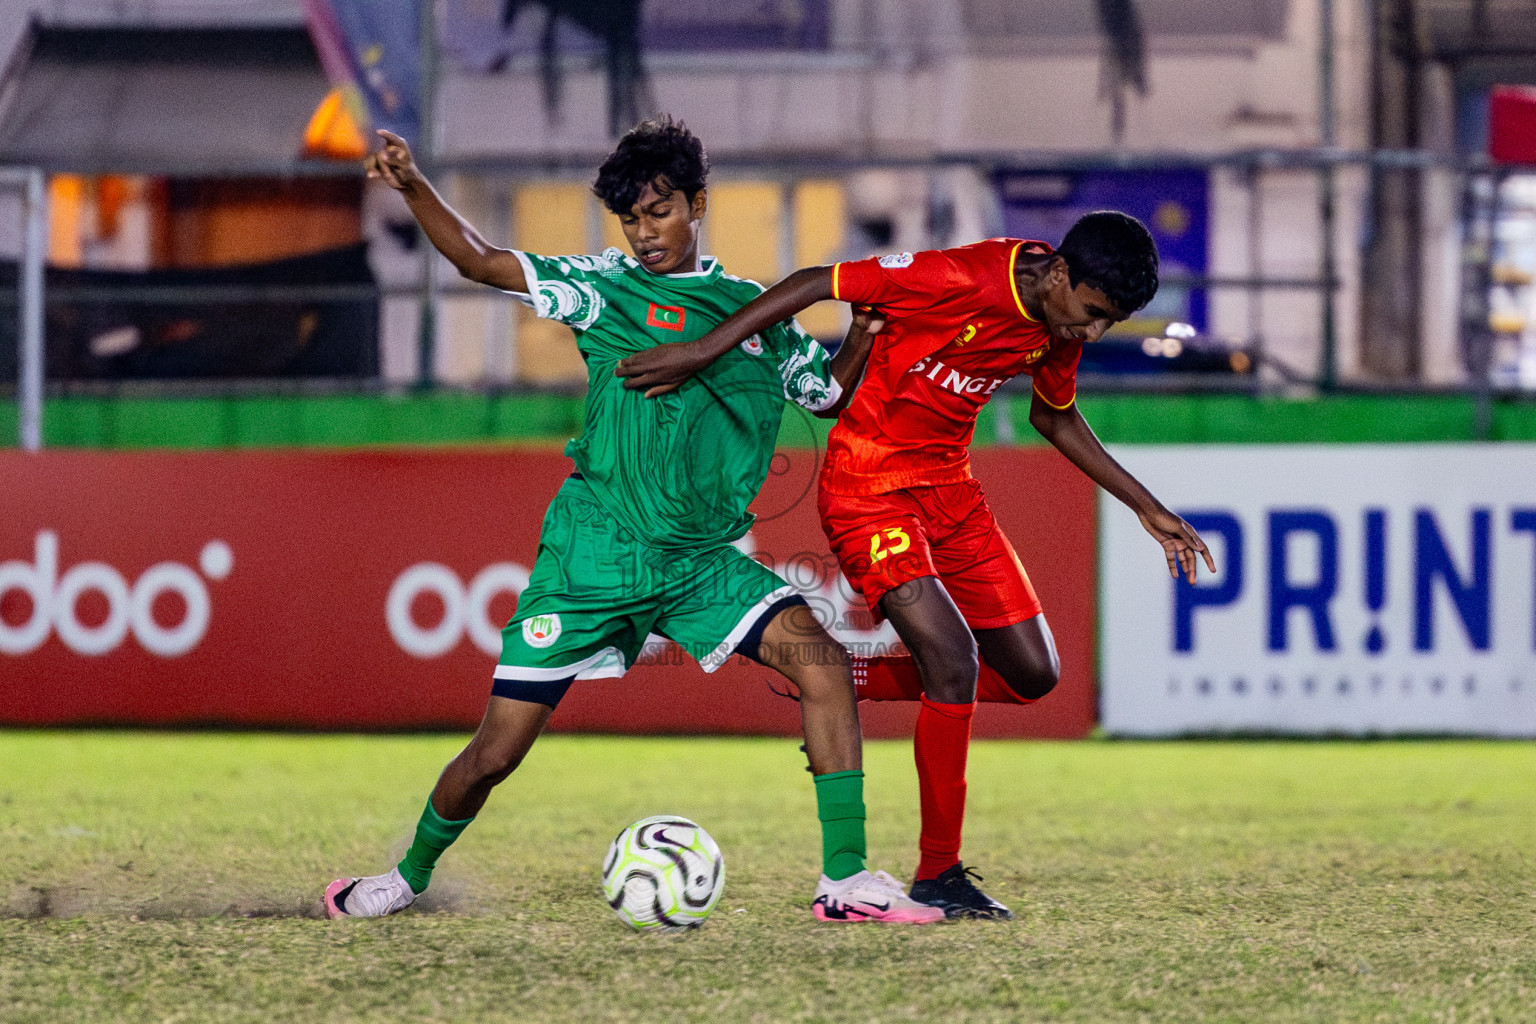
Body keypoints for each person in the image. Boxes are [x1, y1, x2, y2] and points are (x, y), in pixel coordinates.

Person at [325, 116, 944, 925]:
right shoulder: (604, 289)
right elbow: (480, 260)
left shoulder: (753, 313)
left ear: (697, 205)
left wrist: (860, 333)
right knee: (494, 755)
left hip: (699, 564)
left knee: (822, 665)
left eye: (659, 212)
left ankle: (845, 882)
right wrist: (413, 185)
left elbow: (827, 394)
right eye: (631, 219)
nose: (644, 233)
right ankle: (404, 877)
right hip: (594, 558)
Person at [615, 212, 1216, 919]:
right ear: (1059, 274)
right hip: (867, 484)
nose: (1092, 333)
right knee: (954, 659)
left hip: (950, 490)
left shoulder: (1057, 322)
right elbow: (815, 282)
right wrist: (700, 353)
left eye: (1107, 322)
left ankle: (850, 677)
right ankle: (939, 874)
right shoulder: (958, 276)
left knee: (1032, 673)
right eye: (1092, 314)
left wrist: (1145, 507)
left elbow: (1053, 417)